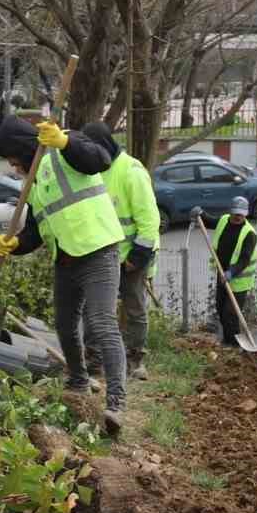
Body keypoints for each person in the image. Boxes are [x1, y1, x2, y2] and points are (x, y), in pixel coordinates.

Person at [0, 113, 127, 433]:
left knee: (101, 322)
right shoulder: (36, 183)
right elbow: (38, 229)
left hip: (97, 250)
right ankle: (79, 382)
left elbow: (100, 159)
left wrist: (65, 142)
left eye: (13, 160)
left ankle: (116, 403)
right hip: (65, 259)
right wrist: (15, 244)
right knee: (65, 325)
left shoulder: (64, 145)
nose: (13, 167)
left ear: (23, 149)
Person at [80, 122, 159, 380]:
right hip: (103, 255)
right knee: (97, 308)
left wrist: (136, 258)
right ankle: (94, 362)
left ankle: (135, 360)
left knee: (134, 307)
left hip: (133, 255)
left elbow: (149, 223)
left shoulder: (132, 172)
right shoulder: (93, 170)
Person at [212, 197, 257, 349]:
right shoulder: (224, 220)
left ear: (245, 214)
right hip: (221, 274)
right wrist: (200, 214)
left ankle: (234, 345)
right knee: (220, 308)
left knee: (230, 313)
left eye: (241, 214)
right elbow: (211, 222)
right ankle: (227, 341)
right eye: (235, 213)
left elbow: (245, 259)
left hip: (238, 280)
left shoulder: (250, 234)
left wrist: (231, 272)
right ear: (230, 211)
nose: (238, 217)